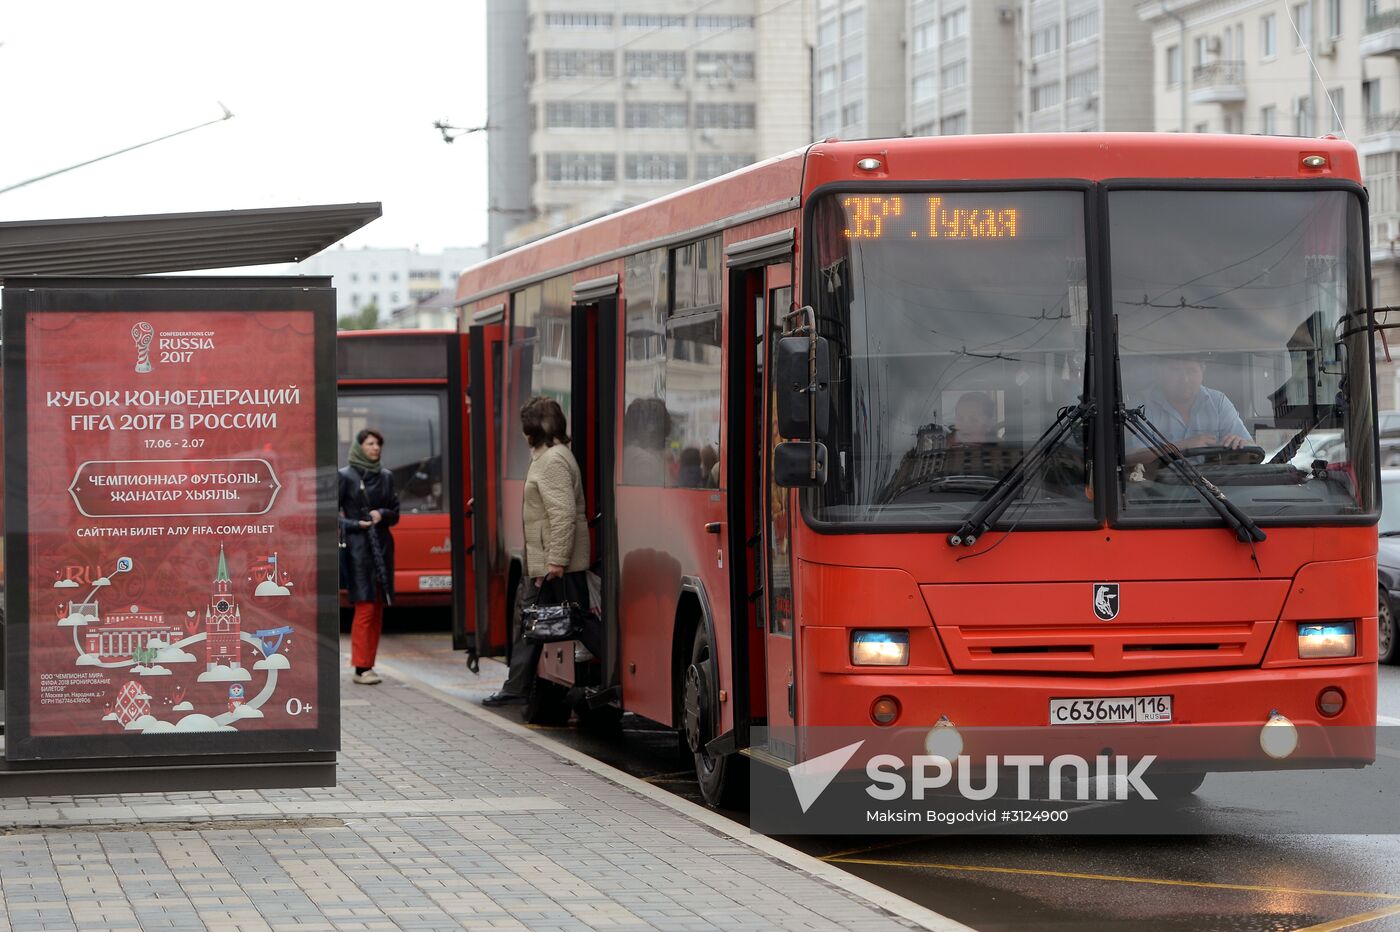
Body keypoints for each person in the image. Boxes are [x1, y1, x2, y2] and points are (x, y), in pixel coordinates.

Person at [483, 396, 591, 707]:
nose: (521, 433)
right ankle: (515, 685)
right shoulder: (547, 456)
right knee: (542, 621)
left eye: (524, 427)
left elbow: (562, 513)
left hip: (554, 562)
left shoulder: (553, 460)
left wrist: (556, 560)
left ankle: (516, 686)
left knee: (569, 620)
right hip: (546, 559)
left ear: (534, 429)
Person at [339, 429, 399, 685]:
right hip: (358, 549)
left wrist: (381, 514)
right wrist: (356, 524)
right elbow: (332, 514)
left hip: (382, 547)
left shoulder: (386, 476)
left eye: (379, 443)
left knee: (377, 607)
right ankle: (361, 667)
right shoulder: (346, 476)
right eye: (370, 443)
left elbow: (396, 513)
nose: (376, 448)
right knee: (364, 606)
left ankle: (368, 664)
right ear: (359, 446)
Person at [1129, 355, 1250, 462]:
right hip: (1159, 484)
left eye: (1191, 371)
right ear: (1161, 373)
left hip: (1212, 484)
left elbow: (1253, 448)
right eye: (1176, 371)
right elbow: (1130, 457)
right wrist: (1183, 446)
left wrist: (1239, 443)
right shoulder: (1142, 404)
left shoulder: (1218, 401)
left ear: (1202, 372)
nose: (1184, 380)